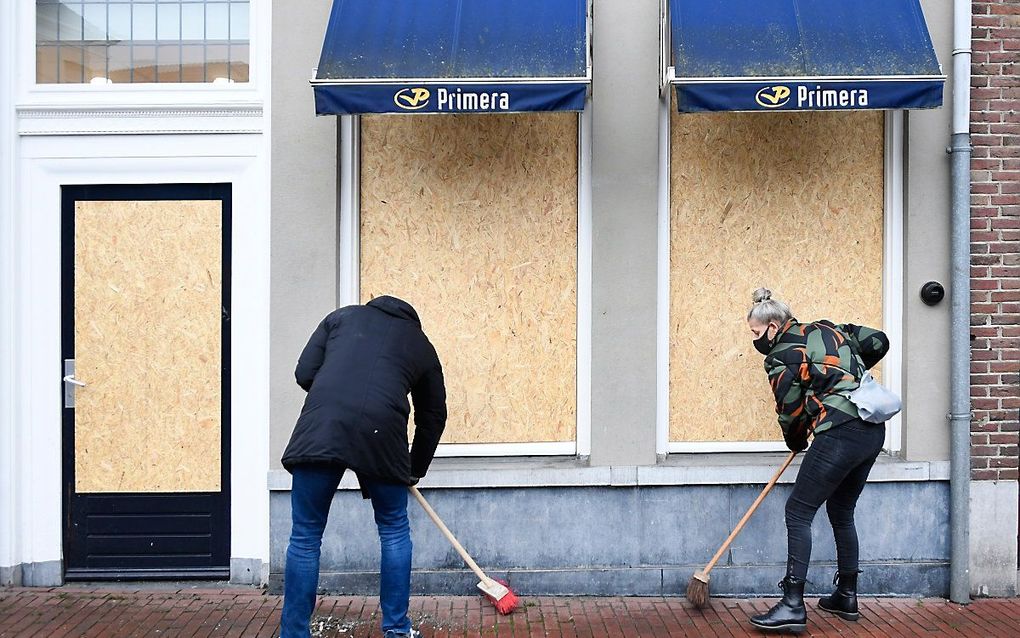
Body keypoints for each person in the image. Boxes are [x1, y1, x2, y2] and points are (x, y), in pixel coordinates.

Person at [279, 295, 447, 638]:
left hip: (322, 427)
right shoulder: (420, 344)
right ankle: (397, 630)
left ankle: (293, 634)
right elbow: (433, 415)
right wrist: (414, 469)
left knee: (306, 535)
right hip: (382, 433)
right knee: (394, 529)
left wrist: (338, 401)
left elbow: (304, 372)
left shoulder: (340, 318)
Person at [745, 287, 889, 633]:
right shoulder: (828, 329)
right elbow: (877, 341)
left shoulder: (780, 354)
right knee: (841, 511)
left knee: (798, 511)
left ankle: (793, 604)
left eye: (755, 333)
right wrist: (844, 374)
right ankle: (847, 595)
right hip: (872, 429)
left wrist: (795, 441)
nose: (754, 341)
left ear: (773, 327)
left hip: (840, 431)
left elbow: (790, 411)